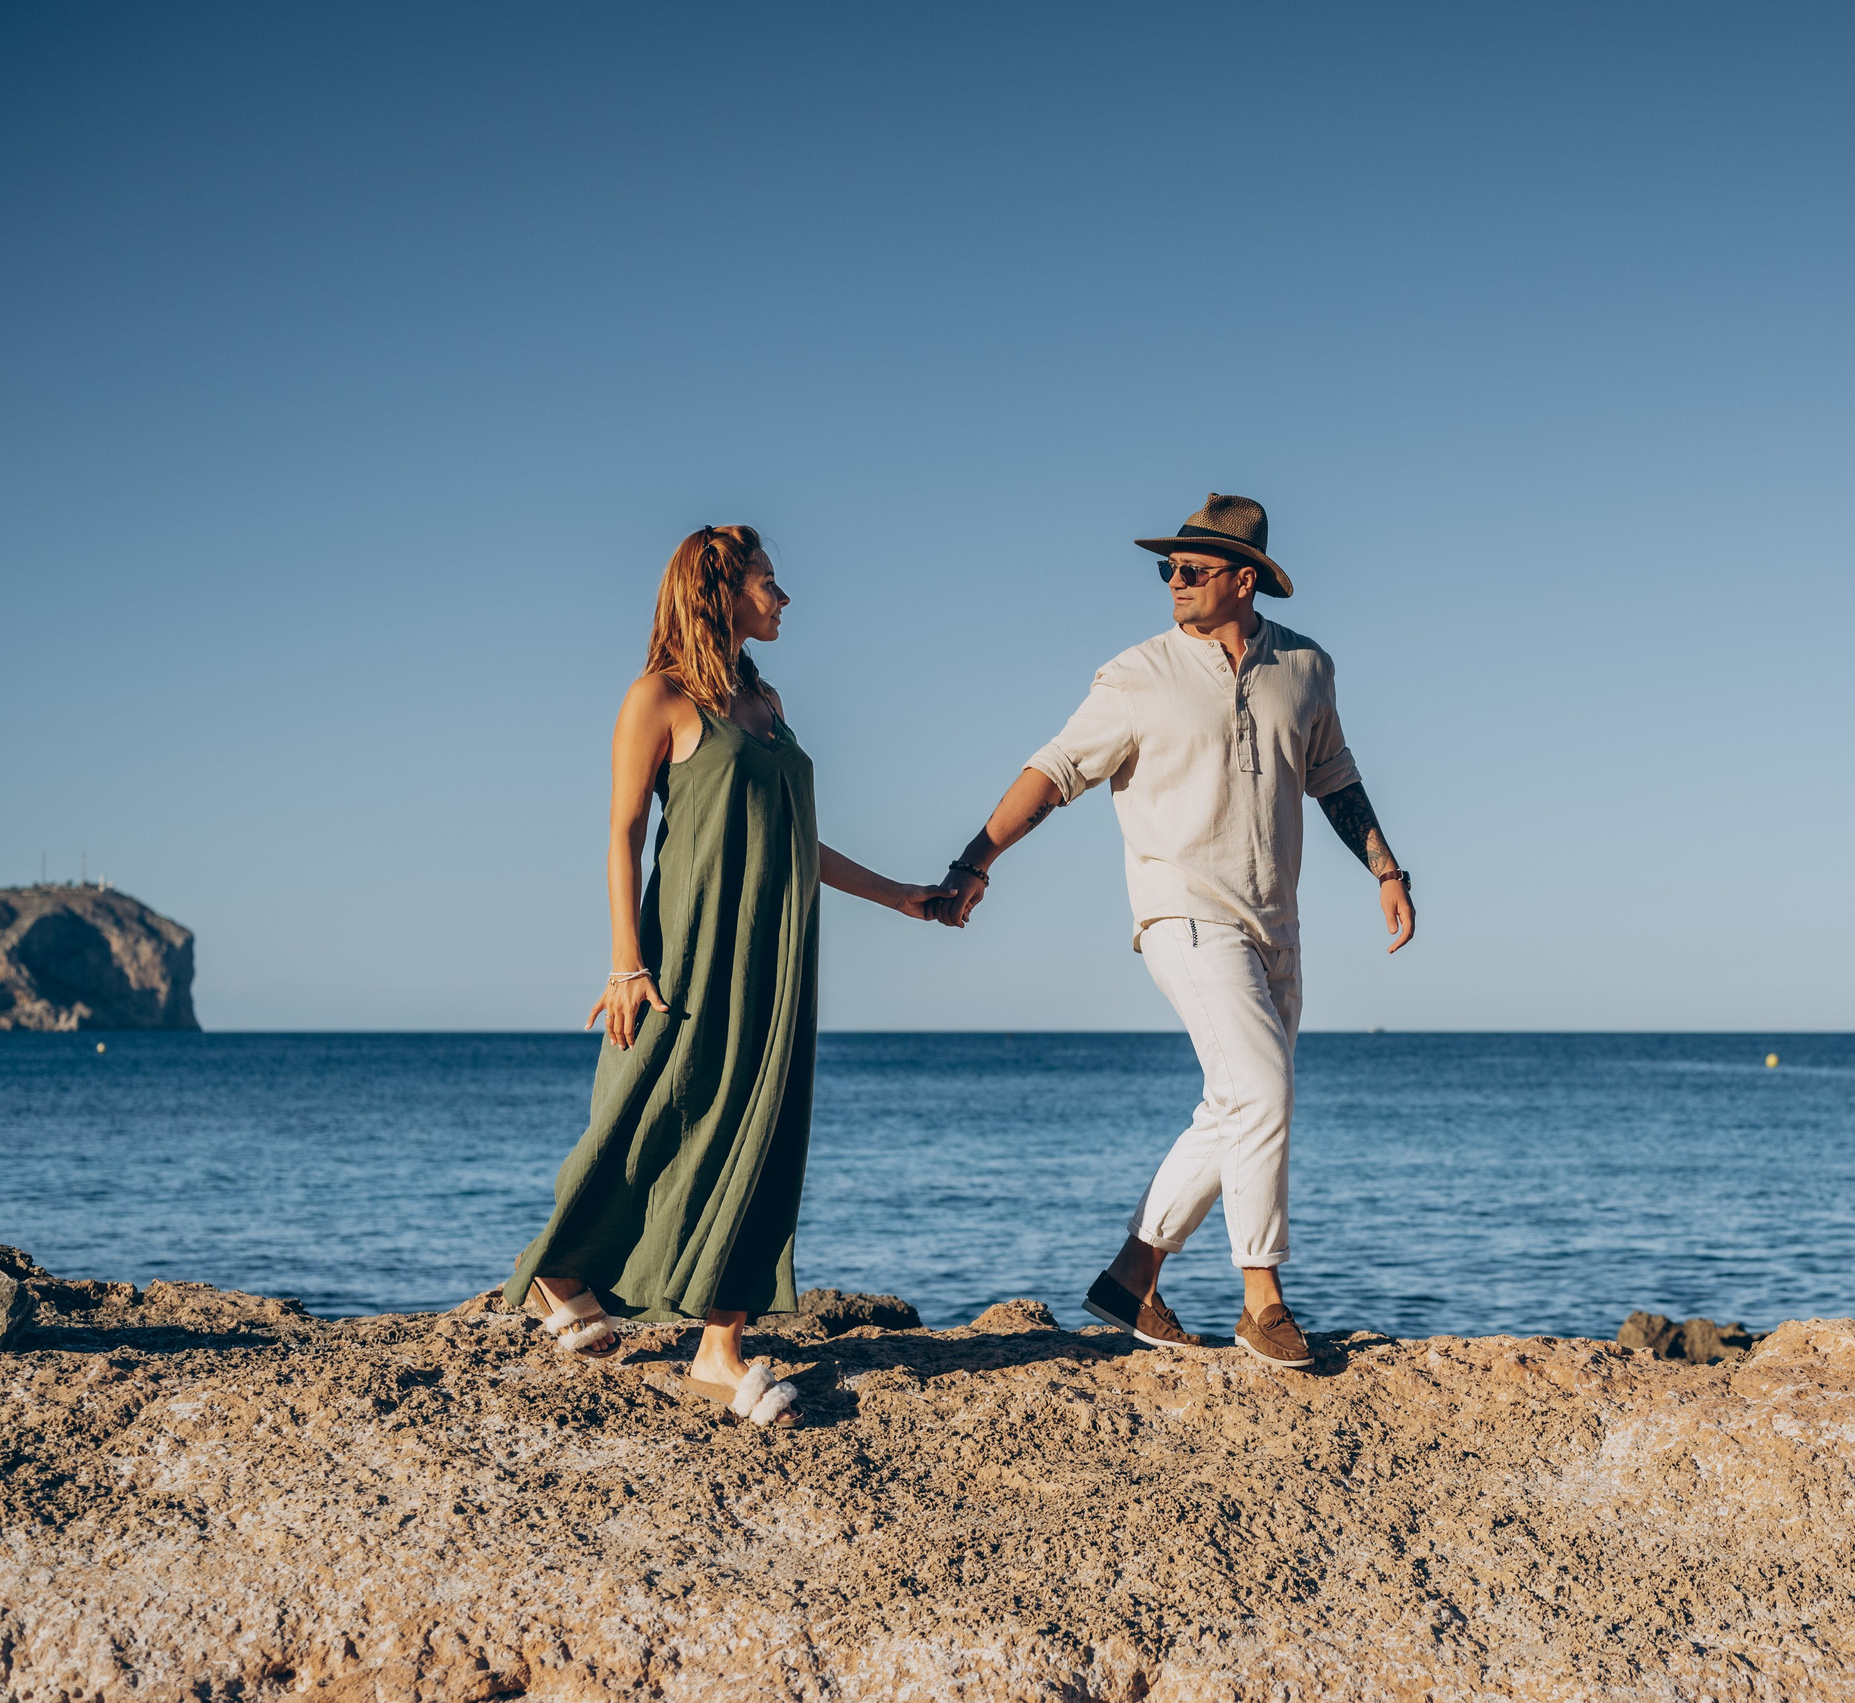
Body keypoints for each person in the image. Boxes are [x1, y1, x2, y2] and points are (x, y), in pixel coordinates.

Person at [931, 494, 1415, 1370]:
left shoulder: (1307, 666)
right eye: (1169, 569)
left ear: (1245, 579)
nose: (1174, 583)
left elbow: (1335, 777)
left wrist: (1386, 868)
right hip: (1181, 915)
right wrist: (974, 862)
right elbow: (1051, 773)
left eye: (1193, 570)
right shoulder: (1135, 675)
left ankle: (1133, 1274)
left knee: (1234, 1105)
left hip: (1276, 922)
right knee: (1263, 1091)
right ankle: (1260, 1299)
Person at [503, 525, 945, 1428]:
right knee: (650, 1105)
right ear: (719, 592)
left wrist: (899, 895)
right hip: (687, 943)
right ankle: (561, 1270)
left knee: (761, 1131)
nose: (784, 599)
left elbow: (792, 837)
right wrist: (626, 961)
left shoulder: (767, 702)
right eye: (768, 583)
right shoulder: (657, 699)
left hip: (775, 949)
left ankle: (718, 1347)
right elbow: (625, 832)